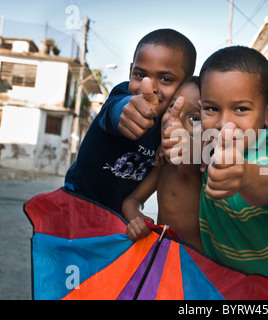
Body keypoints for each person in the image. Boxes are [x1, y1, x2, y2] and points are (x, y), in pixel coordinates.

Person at [64, 29, 196, 215]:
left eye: (166, 79)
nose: (147, 87)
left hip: (118, 220)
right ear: (130, 71)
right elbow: (115, 109)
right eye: (140, 75)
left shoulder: (174, 128)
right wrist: (125, 111)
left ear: (184, 85)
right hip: (75, 202)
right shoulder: (122, 96)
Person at [197, 46, 268, 292]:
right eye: (212, 108)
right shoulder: (203, 145)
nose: (224, 124)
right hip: (223, 283)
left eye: (240, 109)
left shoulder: (267, 154)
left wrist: (242, 174)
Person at [122, 77, 203, 251]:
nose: (175, 120)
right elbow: (132, 201)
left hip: (199, 267)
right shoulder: (164, 163)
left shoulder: (205, 165)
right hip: (164, 258)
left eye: (195, 118)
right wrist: (137, 219)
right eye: (173, 107)